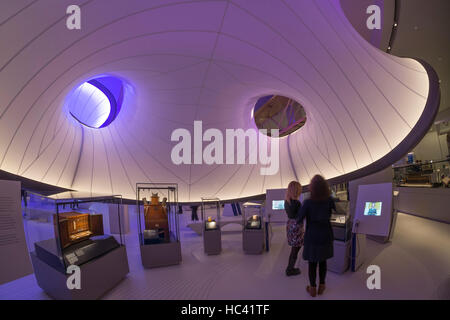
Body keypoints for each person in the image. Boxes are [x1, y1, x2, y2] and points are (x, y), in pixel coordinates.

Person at [299, 175, 335, 297]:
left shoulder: (308, 202)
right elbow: (334, 211)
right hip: (326, 234)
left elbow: (299, 219)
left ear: (312, 187)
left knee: (312, 263)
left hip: (312, 236)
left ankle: (313, 288)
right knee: (323, 260)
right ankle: (322, 286)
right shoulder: (330, 200)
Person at [284, 181, 304, 276]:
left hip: (290, 225)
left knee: (294, 248)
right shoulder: (297, 203)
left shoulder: (286, 201)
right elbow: (300, 217)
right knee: (295, 249)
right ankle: (290, 269)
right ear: (297, 190)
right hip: (296, 227)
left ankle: (290, 267)